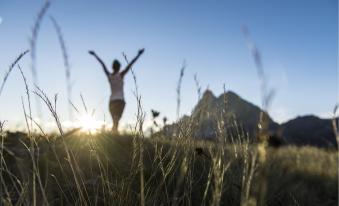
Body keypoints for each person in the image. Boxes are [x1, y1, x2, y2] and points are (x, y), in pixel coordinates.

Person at [89, 48, 145, 133]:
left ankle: (114, 133)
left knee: (115, 120)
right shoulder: (121, 75)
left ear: (112, 67)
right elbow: (130, 64)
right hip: (120, 101)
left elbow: (103, 64)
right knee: (116, 120)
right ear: (119, 67)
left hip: (112, 101)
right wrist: (139, 54)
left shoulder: (109, 76)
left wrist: (95, 55)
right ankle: (114, 134)